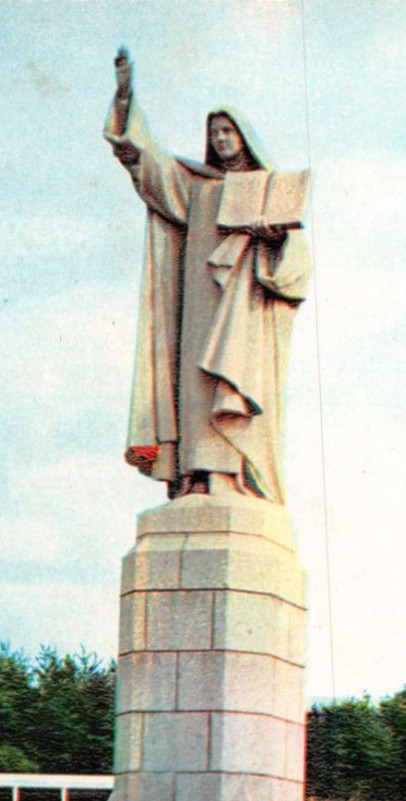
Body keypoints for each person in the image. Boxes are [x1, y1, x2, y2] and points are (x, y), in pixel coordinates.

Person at [104, 47, 311, 503]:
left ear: (243, 137)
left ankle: (228, 476)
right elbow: (145, 162)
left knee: (229, 384)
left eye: (227, 131)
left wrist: (274, 240)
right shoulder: (197, 187)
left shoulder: (266, 188)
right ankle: (194, 475)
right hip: (198, 307)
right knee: (195, 387)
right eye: (214, 132)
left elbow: (296, 269)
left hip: (244, 310)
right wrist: (124, 99)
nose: (219, 139)